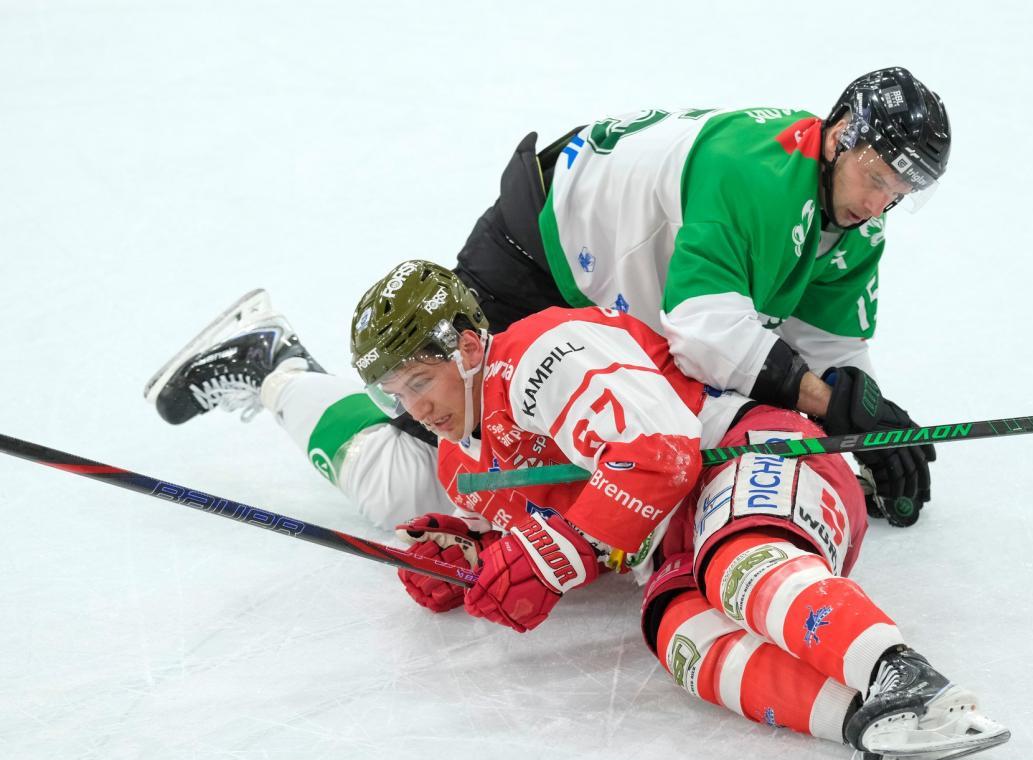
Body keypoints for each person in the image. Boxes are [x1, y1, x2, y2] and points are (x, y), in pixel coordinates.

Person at [145, 67, 947, 530]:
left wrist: (859, 419)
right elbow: (706, 333)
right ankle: (273, 365)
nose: (881, 202)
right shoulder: (757, 174)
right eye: (876, 177)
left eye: (901, 190)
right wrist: (824, 402)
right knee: (416, 486)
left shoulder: (851, 219)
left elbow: (829, 349)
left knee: (632, 449)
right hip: (531, 271)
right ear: (839, 134)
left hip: (601, 295)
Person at [345, 259, 1007, 760]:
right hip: (676, 535)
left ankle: (902, 676)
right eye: (394, 394)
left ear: (466, 346)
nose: (415, 407)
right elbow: (559, 527)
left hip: (759, 452)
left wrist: (552, 554)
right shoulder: (464, 461)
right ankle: (866, 719)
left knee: (732, 565)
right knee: (673, 630)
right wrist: (469, 557)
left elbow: (657, 456)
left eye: (419, 380)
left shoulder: (543, 353)